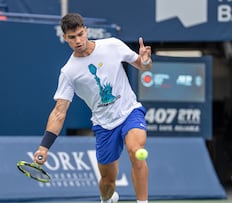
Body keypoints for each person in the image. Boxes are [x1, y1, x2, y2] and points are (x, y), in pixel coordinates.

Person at [33, 13, 152, 203]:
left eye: (80, 34)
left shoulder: (112, 45)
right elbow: (59, 112)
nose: (78, 40)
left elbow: (143, 66)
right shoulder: (69, 72)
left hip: (130, 112)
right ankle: (107, 200)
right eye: (72, 37)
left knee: (135, 151)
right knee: (107, 182)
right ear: (65, 38)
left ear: (86, 30)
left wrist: (145, 61)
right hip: (104, 125)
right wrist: (44, 147)